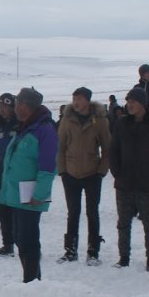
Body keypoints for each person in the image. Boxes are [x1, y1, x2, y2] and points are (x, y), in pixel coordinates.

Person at [0, 88, 58, 283]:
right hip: (16, 194)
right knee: (20, 238)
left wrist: (39, 194)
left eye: (16, 104)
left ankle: (32, 282)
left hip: (30, 196)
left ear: (24, 105)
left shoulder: (44, 130)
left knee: (28, 241)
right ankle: (31, 281)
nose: (14, 108)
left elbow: (48, 166)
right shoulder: (26, 126)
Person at [108, 87, 149, 273]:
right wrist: (117, 172)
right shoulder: (121, 124)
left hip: (146, 184)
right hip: (124, 183)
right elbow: (113, 150)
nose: (130, 105)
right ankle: (124, 257)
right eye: (128, 101)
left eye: (133, 101)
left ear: (143, 103)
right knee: (123, 224)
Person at [56, 86, 111, 265]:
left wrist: (101, 171)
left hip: (92, 173)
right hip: (70, 173)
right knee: (73, 212)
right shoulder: (67, 120)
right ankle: (70, 251)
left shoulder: (100, 121)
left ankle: (93, 252)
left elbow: (107, 148)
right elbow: (60, 147)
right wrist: (62, 171)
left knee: (92, 213)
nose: (76, 102)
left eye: (79, 99)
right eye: (74, 99)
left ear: (87, 100)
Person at [0, 93, 19, 257]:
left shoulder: (20, 124)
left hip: (18, 174)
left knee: (19, 213)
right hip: (2, 174)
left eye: (4, 107)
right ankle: (7, 245)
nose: (1, 110)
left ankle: (25, 245)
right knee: (4, 210)